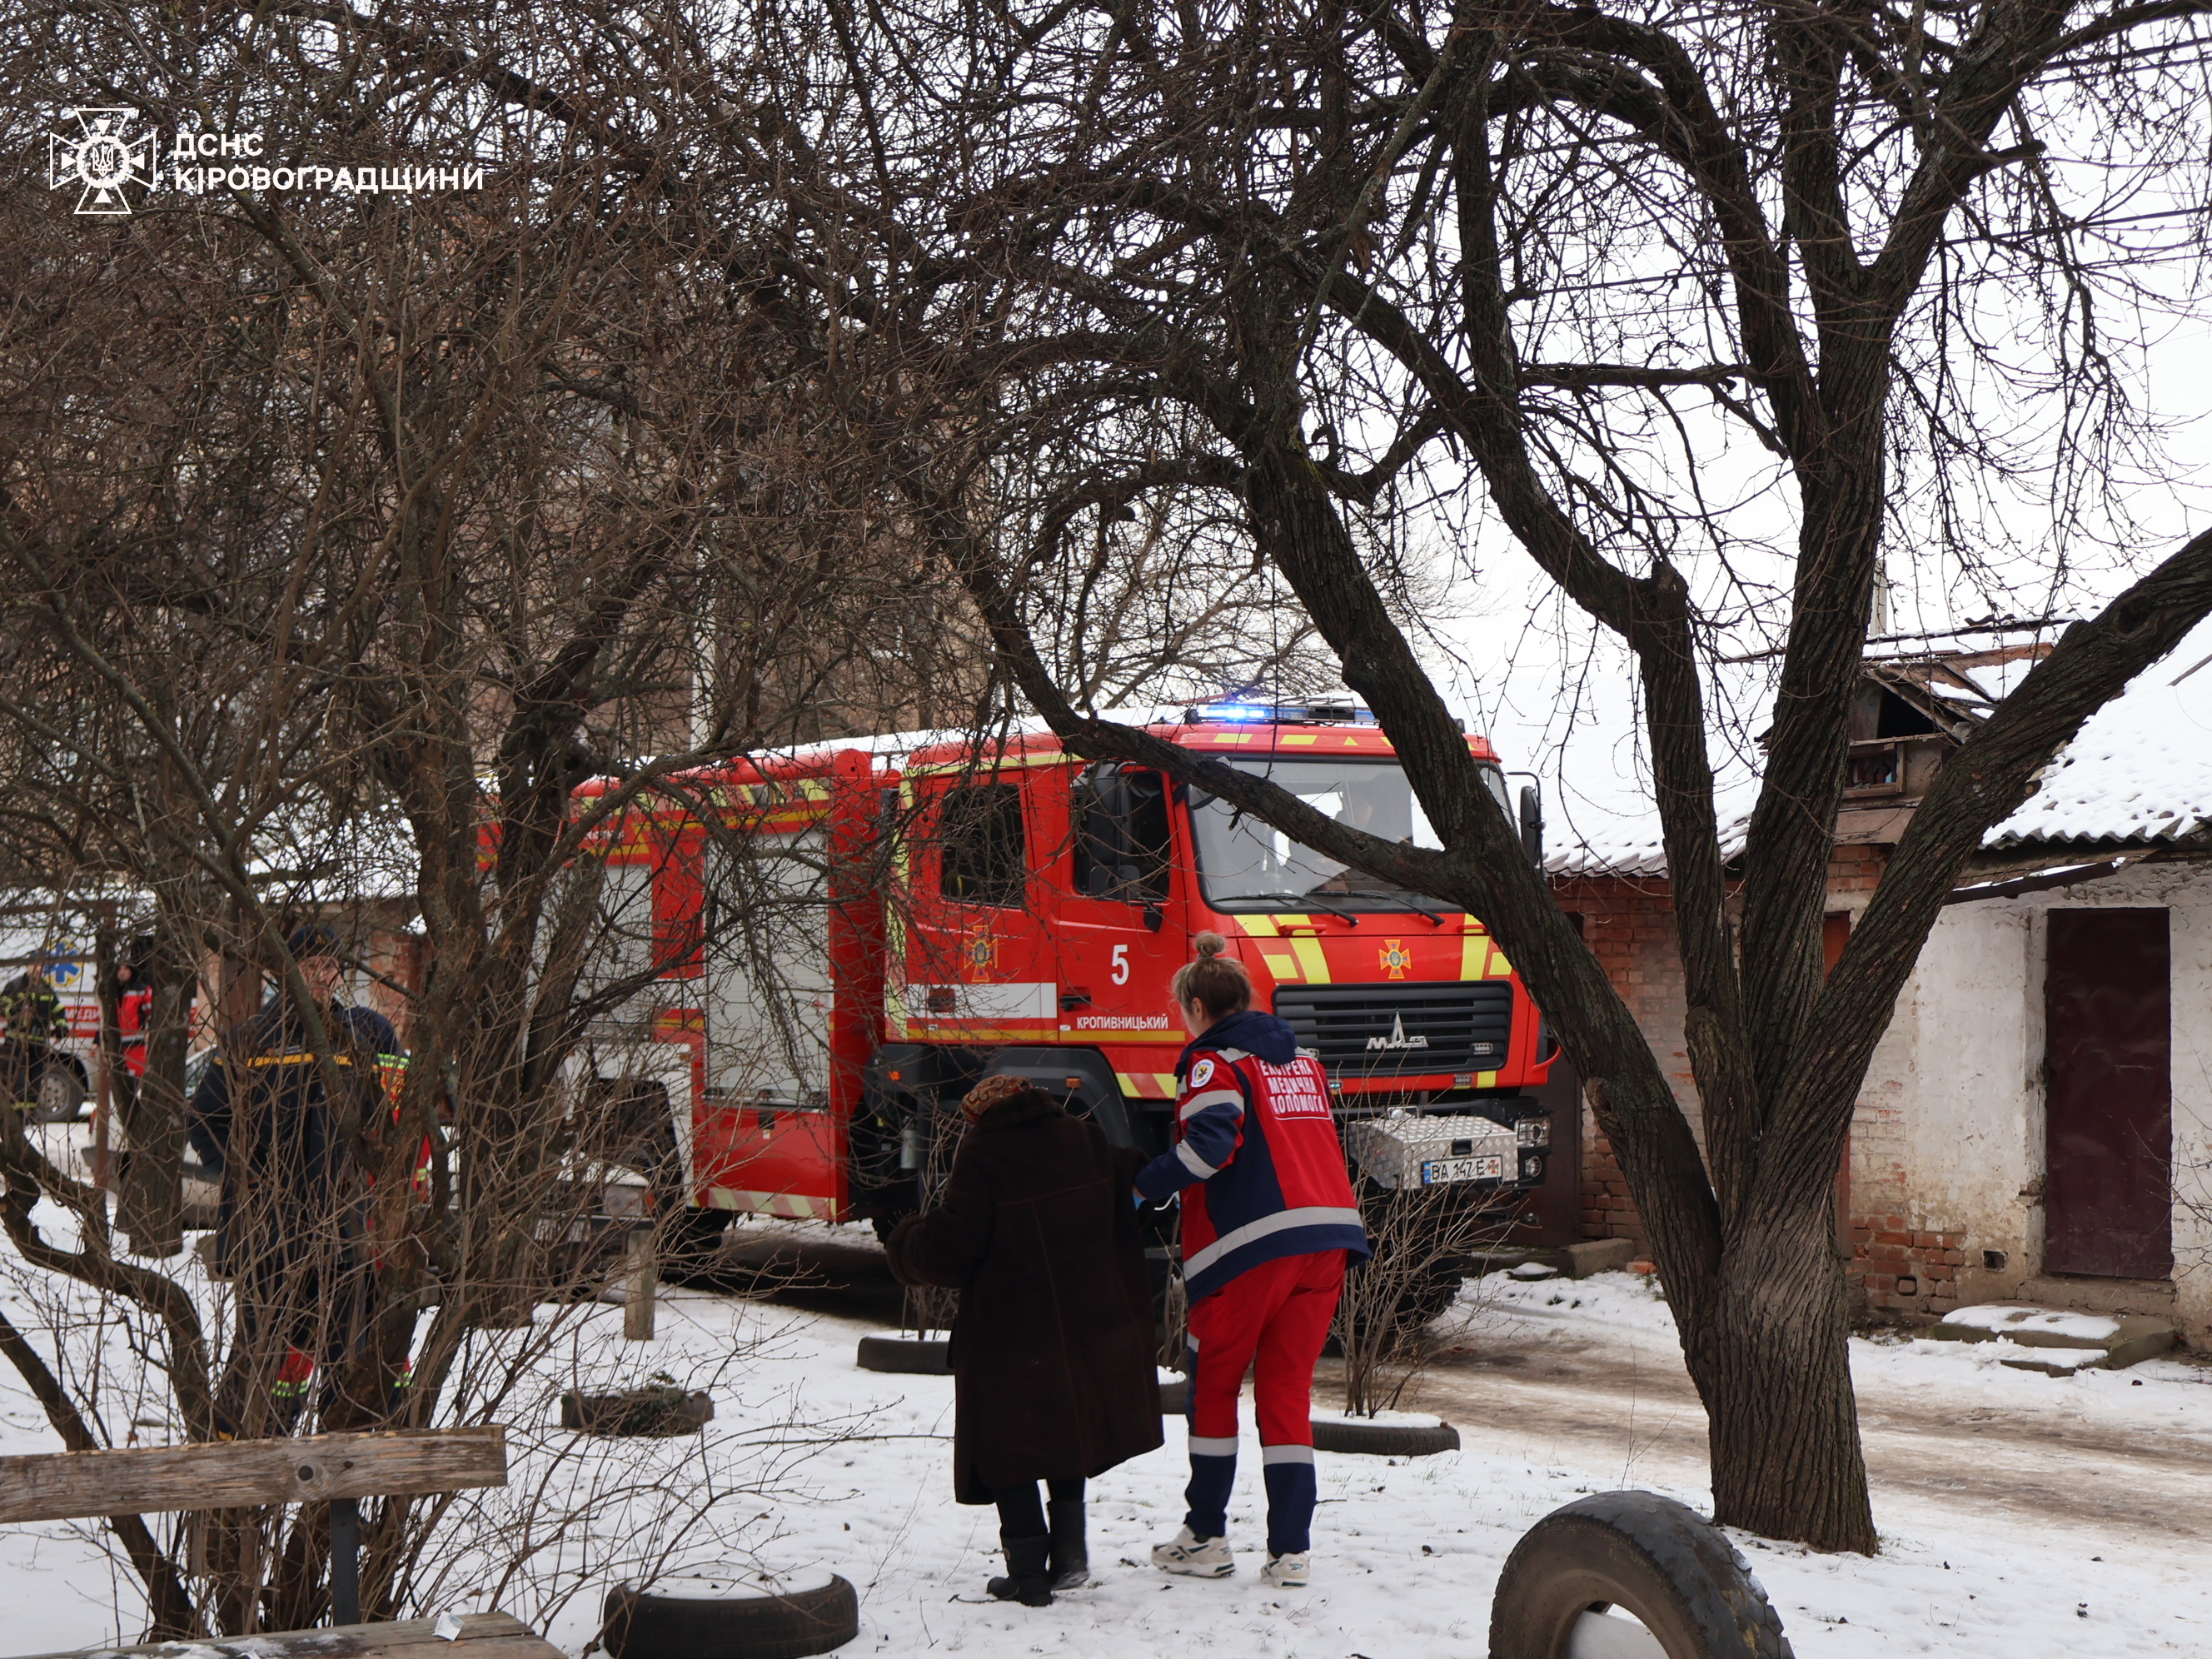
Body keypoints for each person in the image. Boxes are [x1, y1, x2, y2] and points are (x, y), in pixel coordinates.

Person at [1138, 931, 1369, 1588]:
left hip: (1250, 1248)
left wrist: (1141, 1187)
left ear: (1198, 1008)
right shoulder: (1302, 1063)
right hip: (1327, 1241)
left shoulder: (1213, 1065)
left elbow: (1209, 1150)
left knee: (1213, 1388)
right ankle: (1290, 1552)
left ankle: (1206, 1536)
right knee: (1286, 1393)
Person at [884, 1073, 1163, 1607]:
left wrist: (905, 1242)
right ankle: (1071, 1554)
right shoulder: (1085, 1137)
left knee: (1005, 1444)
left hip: (1011, 1329)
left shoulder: (985, 1157)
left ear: (980, 1118)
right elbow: (1137, 1182)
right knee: (1066, 1430)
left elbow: (953, 1247)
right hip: (1086, 1324)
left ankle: (1029, 1575)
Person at [188, 924, 405, 1433]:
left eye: (332, 967)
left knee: (348, 1357)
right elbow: (205, 1119)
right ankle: (251, 1451)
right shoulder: (249, 1041)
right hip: (269, 1237)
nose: (324, 977)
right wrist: (250, 1177)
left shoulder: (361, 1037)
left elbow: (388, 1125)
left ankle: (345, 1460)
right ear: (285, 974)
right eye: (311, 967)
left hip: (344, 1235)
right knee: (262, 1358)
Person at [0, 959, 66, 1113]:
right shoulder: (15, 986)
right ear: (27, 966)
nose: (38, 969)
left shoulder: (46, 989)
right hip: (17, 1043)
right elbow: (3, 1006)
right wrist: (18, 1012)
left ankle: (30, 1115)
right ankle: (17, 1116)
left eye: (41, 966)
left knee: (35, 1082)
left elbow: (58, 1010)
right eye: (35, 965)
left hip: (38, 1044)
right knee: (18, 1081)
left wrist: (61, 1028)